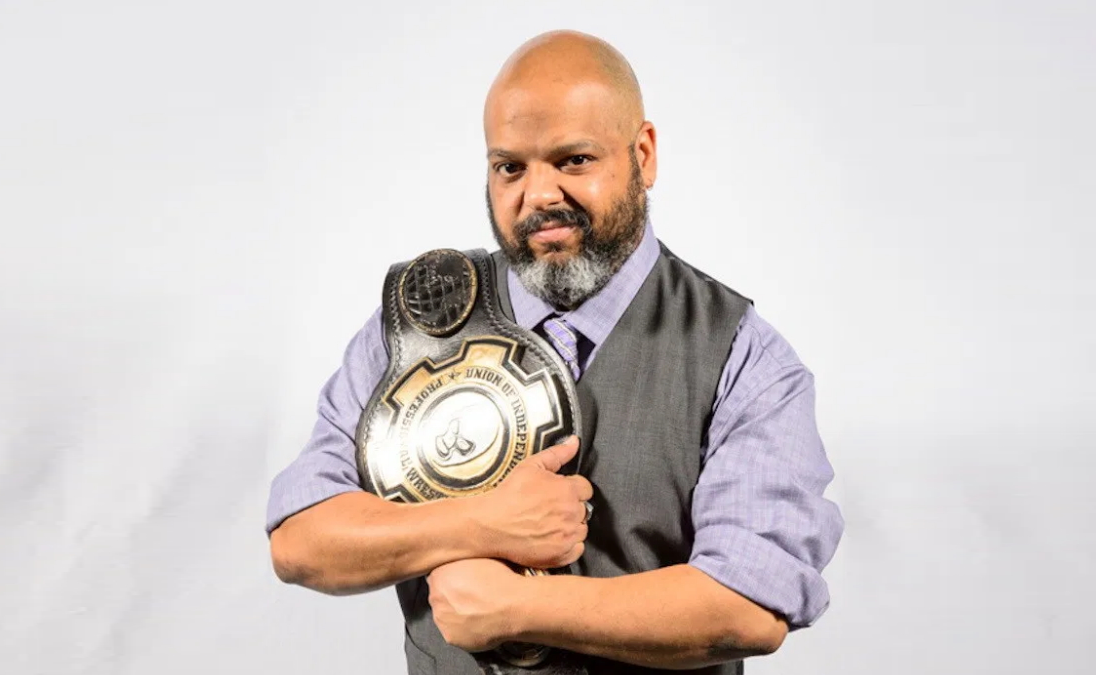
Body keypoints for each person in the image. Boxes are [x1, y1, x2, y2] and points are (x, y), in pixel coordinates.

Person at [266, 30, 844, 674]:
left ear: (643, 155)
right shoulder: (416, 322)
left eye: (573, 160)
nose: (538, 195)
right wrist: (478, 524)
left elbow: (748, 606)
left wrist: (522, 608)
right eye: (510, 167)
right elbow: (301, 538)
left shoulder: (741, 355)